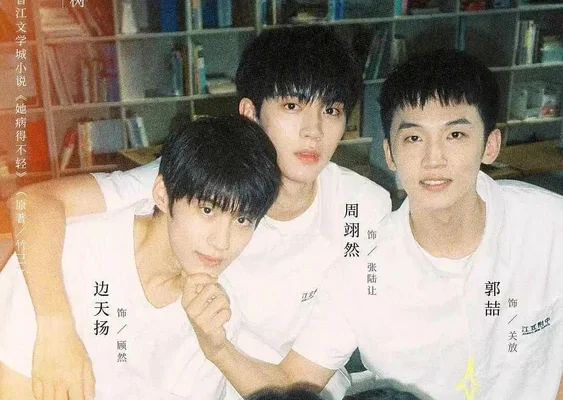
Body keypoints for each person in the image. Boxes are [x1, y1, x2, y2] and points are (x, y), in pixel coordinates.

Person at [7, 27, 392, 399]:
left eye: (331, 110)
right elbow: (35, 203)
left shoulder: (360, 210)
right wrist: (54, 326)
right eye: (292, 106)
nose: (313, 131)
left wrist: (217, 348)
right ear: (250, 113)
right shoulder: (201, 174)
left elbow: (295, 384)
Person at [185, 49, 563, 399]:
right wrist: (218, 349)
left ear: (491, 145)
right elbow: (292, 383)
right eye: (413, 137)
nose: (434, 159)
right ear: (390, 154)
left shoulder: (549, 223)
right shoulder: (361, 269)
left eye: (455, 135)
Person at [0, 115, 281, 399]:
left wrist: (217, 348)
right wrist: (57, 328)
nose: (222, 242)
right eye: (207, 210)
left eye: (243, 220)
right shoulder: (60, 255)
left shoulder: (216, 310)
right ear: (163, 195)